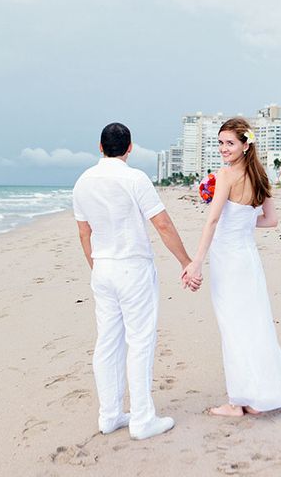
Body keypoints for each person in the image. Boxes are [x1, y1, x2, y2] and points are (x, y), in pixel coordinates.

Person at [73, 122, 201, 441]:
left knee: (107, 342)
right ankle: (142, 418)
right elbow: (163, 224)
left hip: (102, 268)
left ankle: (110, 414)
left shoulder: (82, 182)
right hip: (133, 267)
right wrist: (186, 261)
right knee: (140, 342)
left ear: (100, 147)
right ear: (130, 148)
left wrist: (96, 265)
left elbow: (84, 232)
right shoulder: (135, 178)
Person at [182, 117, 281, 416]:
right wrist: (242, 222)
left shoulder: (226, 176)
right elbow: (270, 221)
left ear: (245, 145)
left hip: (229, 262)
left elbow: (212, 220)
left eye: (230, 143)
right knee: (254, 324)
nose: (223, 148)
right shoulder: (261, 178)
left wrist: (196, 261)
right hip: (248, 260)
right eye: (220, 142)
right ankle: (259, 395)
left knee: (234, 326)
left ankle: (238, 402)